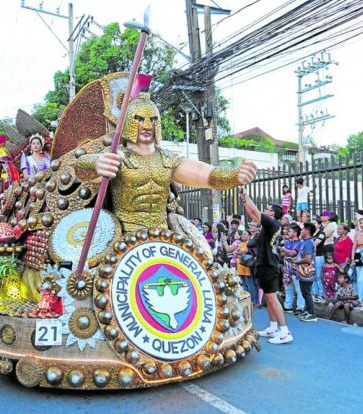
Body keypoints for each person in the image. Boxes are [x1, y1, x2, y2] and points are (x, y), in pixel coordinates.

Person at [74, 74, 258, 233]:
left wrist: (235, 175)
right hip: (123, 235)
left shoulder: (168, 159)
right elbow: (82, 168)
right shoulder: (116, 155)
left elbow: (207, 175)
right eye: (139, 120)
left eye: (152, 120)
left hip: (163, 237)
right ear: (129, 122)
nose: (147, 126)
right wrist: (97, 165)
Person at [240, 189, 291, 344]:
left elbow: (254, 212)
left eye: (268, 209)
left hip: (269, 265)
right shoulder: (269, 224)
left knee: (272, 297)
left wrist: (246, 196)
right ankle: (274, 327)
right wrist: (244, 199)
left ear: (273, 214)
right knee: (269, 298)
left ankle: (284, 331)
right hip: (265, 264)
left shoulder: (272, 223)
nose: (266, 210)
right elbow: (252, 212)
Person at [280, 224, 304, 314]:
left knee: (298, 289)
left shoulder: (300, 243)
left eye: (289, 231)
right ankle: (288, 306)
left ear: (295, 232)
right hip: (286, 268)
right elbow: (282, 254)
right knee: (287, 288)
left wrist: (284, 249)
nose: (287, 232)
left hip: (296, 269)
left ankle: (300, 307)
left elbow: (292, 253)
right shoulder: (288, 242)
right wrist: (285, 251)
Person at [296, 222, 317, 322]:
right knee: (304, 292)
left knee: (307, 292)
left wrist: (297, 261)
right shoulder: (305, 241)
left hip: (307, 272)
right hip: (303, 271)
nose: (301, 231)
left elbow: (308, 258)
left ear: (307, 231)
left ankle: (312, 313)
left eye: (303, 229)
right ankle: (308, 310)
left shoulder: (309, 242)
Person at [313, 211, 336, 302]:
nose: (322, 217)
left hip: (321, 253)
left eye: (314, 223)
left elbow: (316, 243)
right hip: (313, 255)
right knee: (313, 275)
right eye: (321, 215)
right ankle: (315, 293)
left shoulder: (327, 229)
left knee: (319, 275)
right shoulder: (313, 233)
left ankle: (321, 294)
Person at [351, 217, 363, 302]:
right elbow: (354, 246)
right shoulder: (357, 233)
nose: (362, 225)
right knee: (360, 278)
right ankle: (360, 298)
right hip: (359, 256)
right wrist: (352, 258)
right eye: (361, 223)